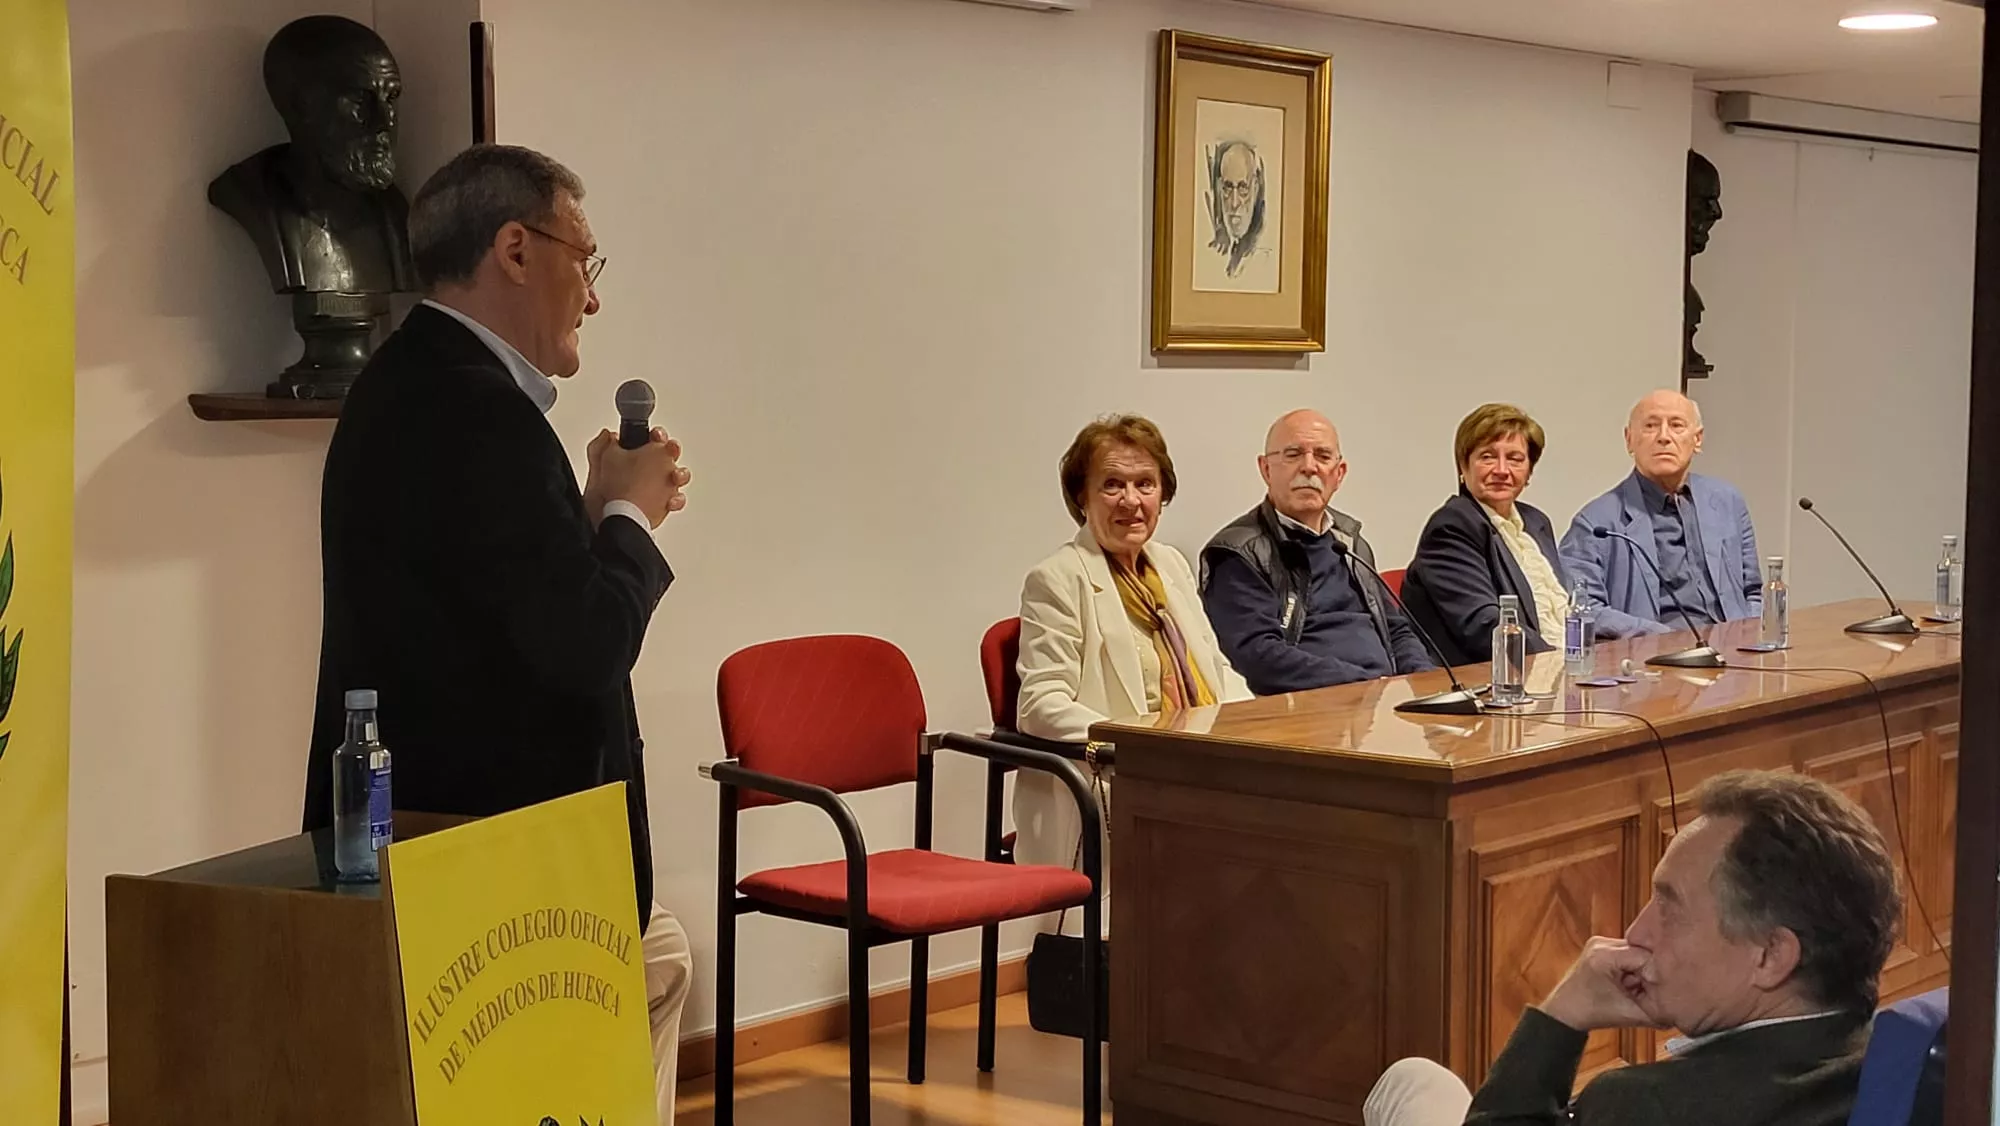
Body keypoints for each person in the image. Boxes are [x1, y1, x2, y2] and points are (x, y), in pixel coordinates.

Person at [301, 144, 693, 1123]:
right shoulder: (475, 414)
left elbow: (516, 604)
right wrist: (633, 521)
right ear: (515, 249)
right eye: (585, 261)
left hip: (455, 839)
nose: (591, 300)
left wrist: (597, 511)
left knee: (662, 960)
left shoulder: (410, 385)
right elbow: (584, 644)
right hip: (498, 866)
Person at [1363, 769, 1900, 1126]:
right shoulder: (1900, 1063)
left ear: (1770, 956)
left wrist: (1563, 1015)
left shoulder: (1643, 1106)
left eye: (1669, 907)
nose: (1636, 932)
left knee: (1408, 1081)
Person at [1015, 415, 1250, 930]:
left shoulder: (1170, 565)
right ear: (1083, 496)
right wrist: (1141, 741)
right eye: (1112, 485)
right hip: (1115, 777)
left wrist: (1258, 720)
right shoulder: (1058, 578)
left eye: (1145, 484)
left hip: (1193, 760)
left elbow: (1214, 668)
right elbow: (1039, 704)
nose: (1131, 500)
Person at [1200, 409, 1434, 695]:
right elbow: (1258, 656)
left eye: (1323, 456)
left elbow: (1395, 629)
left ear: (1339, 474)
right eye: (1293, 454)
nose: (1309, 467)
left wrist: (1424, 684)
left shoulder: (1349, 541)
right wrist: (1366, 686)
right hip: (1310, 708)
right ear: (1265, 469)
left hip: (1380, 704)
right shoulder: (1238, 552)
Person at [1559, 390, 1762, 639]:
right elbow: (1585, 609)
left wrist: (1749, 635)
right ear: (1629, 440)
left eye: (1676, 425)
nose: (1663, 437)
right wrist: (1665, 638)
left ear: (1697, 440)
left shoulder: (1727, 502)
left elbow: (1753, 592)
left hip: (1734, 653)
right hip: (1654, 661)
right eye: (1651, 426)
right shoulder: (1595, 523)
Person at [1402, 404, 1573, 665]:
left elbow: (1562, 610)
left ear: (1529, 471)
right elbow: (1485, 626)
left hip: (1556, 669)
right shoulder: (1452, 525)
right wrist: (1560, 664)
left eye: (1515, 459)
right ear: (1463, 466)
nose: (1502, 470)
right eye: (1488, 457)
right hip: (1494, 679)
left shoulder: (1536, 522)